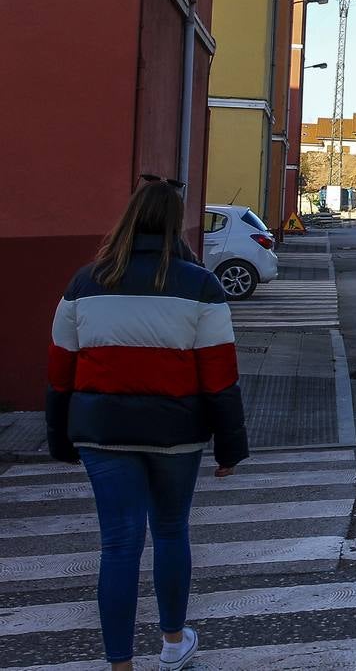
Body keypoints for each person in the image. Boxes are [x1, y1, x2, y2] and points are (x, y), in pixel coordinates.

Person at [45, 177, 249, 671]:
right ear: (176, 225)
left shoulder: (83, 282)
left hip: (101, 432)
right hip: (176, 433)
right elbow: (220, 376)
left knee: (118, 544)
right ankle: (174, 644)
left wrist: (60, 439)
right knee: (171, 531)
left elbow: (59, 372)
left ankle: (120, 665)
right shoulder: (200, 285)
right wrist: (230, 448)